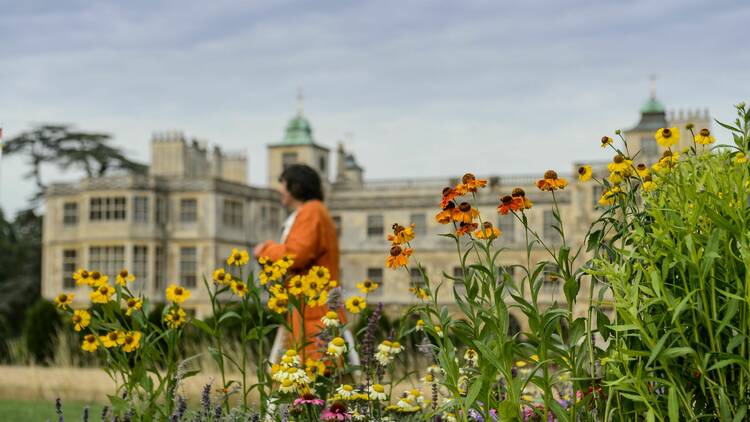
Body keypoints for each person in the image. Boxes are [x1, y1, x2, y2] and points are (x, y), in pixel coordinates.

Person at [253, 164, 357, 365]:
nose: (280, 190)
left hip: (313, 310)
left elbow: (295, 255)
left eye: (283, 184)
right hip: (310, 308)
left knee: (318, 376)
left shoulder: (311, 212)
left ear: (295, 186)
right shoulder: (315, 212)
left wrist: (264, 250)